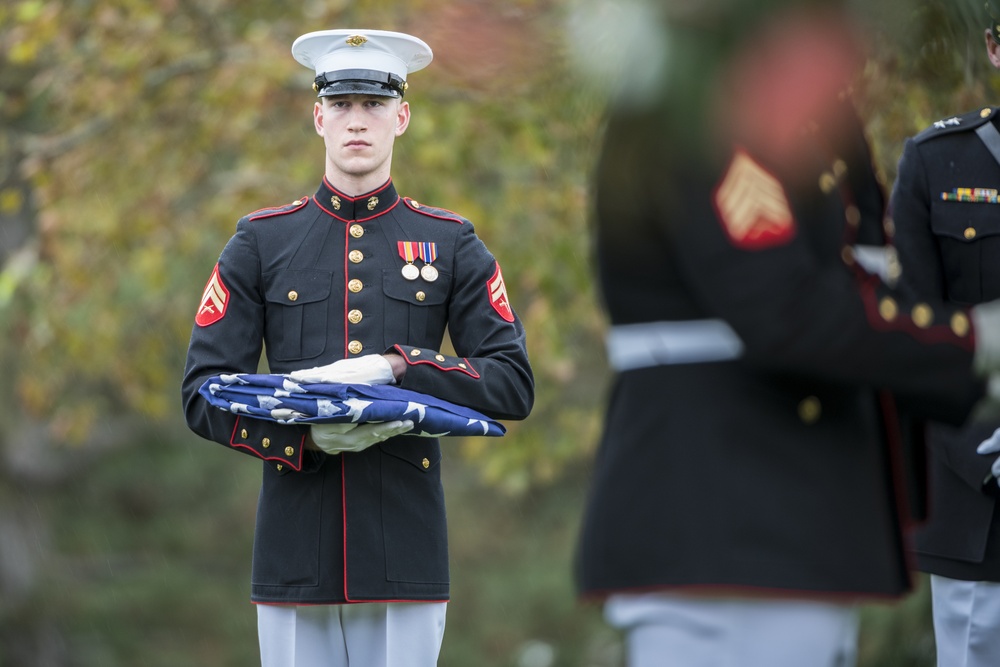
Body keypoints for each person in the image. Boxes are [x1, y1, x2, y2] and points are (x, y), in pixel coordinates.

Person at [573, 1, 1000, 665]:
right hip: (730, 513)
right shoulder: (700, 105)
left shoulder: (772, 107)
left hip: (775, 519)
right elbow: (785, 306)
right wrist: (971, 343)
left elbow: (850, 280)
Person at [180, 29, 533, 667]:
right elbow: (203, 393)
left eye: (373, 104)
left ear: (402, 117)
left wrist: (401, 368)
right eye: (341, 105)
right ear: (318, 118)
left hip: (405, 552)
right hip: (295, 552)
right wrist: (302, 441)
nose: (357, 122)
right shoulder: (261, 242)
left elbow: (511, 382)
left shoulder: (450, 242)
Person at [889, 3, 1000, 664]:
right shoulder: (938, 163)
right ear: (993, 48)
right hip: (978, 513)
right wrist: (988, 453)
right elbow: (914, 340)